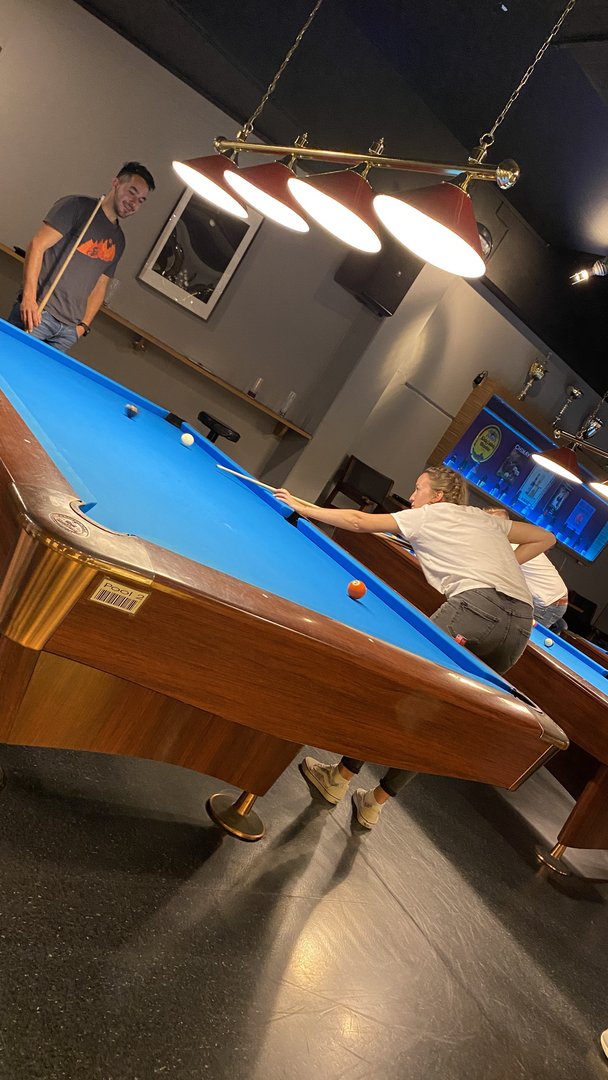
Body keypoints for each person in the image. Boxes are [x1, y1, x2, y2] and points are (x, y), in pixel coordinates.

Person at [274, 465, 556, 830]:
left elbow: (359, 521)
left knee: (403, 691)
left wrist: (304, 507)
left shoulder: (430, 514)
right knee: (442, 714)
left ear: (437, 496)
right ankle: (375, 803)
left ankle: (339, 778)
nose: (411, 496)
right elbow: (545, 537)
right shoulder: (483, 519)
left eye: (418, 488)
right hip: (519, 629)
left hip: (475, 609)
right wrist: (500, 566)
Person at [8, 162, 155, 352]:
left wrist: (82, 326)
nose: (134, 203)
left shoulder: (118, 240)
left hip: (67, 330)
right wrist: (28, 299)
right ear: (116, 183)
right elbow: (37, 246)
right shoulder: (77, 207)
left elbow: (101, 286)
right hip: (39, 312)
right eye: (132, 192)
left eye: (141, 200)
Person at [485, 508, 569, 632]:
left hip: (550, 602)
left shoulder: (509, 545)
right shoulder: (510, 542)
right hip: (549, 597)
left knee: (517, 634)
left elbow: (493, 573)